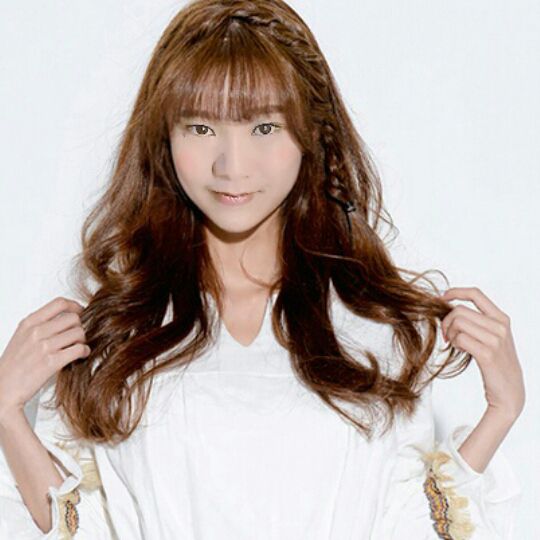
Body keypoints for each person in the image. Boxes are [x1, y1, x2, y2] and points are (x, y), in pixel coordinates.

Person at [0, 0, 525, 538]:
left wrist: (501, 412)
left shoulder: (375, 326)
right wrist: (7, 412)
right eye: (200, 127)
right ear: (164, 138)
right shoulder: (120, 331)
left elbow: (405, 521)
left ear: (313, 134)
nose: (232, 166)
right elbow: (87, 524)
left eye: (264, 127)